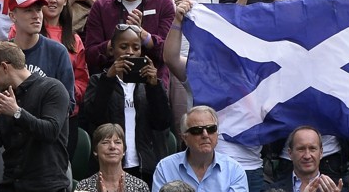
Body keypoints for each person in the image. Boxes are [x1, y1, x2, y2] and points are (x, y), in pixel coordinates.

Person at [82, 22, 172, 183]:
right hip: (109, 166)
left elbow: (163, 123)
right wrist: (108, 79)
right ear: (112, 50)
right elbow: (94, 118)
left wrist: (154, 87)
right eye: (124, 47)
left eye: (136, 48)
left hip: (144, 166)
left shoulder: (150, 84)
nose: (130, 52)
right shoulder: (99, 81)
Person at [0, 41, 71, 192]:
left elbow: (51, 131)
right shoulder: (5, 97)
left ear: (4, 67)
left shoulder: (52, 88)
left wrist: (16, 112)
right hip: (10, 185)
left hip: (46, 187)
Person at [152, 106, 249, 192]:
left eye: (211, 129)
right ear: (184, 138)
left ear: (217, 133)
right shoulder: (164, 168)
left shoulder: (234, 170)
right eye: (197, 130)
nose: (205, 135)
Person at [74, 124, 152, 192]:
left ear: (124, 150)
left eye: (117, 142)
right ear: (95, 150)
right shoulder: (84, 187)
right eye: (105, 142)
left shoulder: (139, 187)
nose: (112, 147)